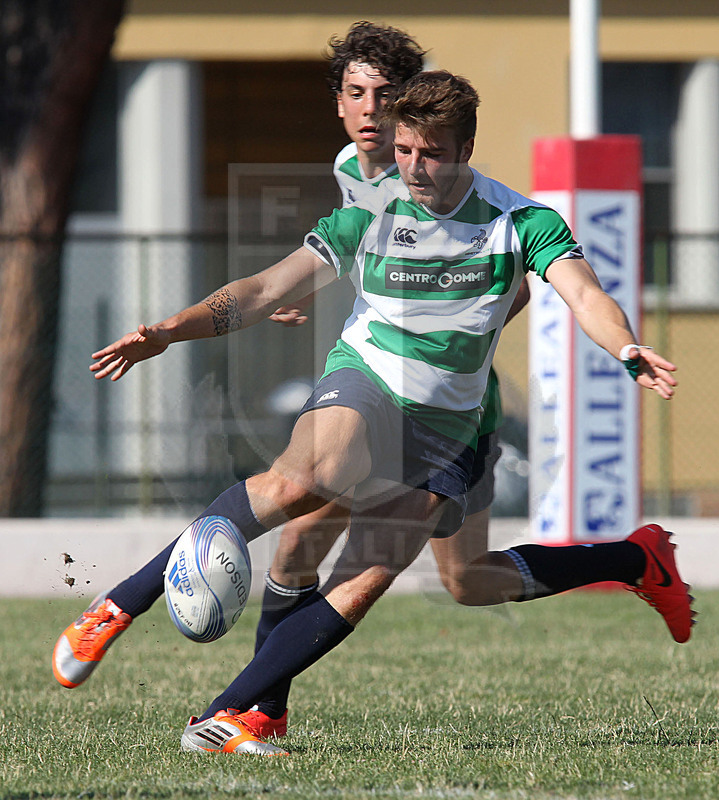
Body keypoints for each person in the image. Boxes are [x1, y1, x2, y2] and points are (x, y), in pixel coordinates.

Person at [52, 70, 692, 757]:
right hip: (365, 382)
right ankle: (155, 637)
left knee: (449, 582)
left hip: (450, 425)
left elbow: (584, 295)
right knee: (301, 487)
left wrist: (624, 345)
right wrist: (169, 330)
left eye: (433, 153)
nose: (415, 167)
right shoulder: (368, 212)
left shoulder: (520, 222)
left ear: (466, 147)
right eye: (406, 149)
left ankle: (634, 557)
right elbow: (267, 288)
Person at [247, 21, 530, 740]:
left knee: (465, 581)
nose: (369, 111)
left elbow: (511, 275)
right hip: (376, 382)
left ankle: (629, 557)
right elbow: (355, 250)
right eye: (354, 93)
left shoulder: (448, 177)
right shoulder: (351, 169)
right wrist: (305, 289)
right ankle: (258, 709)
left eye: (384, 96)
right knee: (301, 536)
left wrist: (467, 326)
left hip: (454, 406)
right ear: (338, 102)